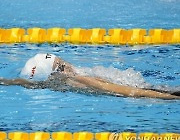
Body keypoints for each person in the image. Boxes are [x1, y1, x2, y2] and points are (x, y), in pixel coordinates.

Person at [0, 53, 179, 100]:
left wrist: (169, 98)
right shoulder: (46, 81)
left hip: (136, 89)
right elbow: (18, 82)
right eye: (61, 63)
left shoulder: (81, 80)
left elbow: (132, 92)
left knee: (155, 89)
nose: (65, 64)